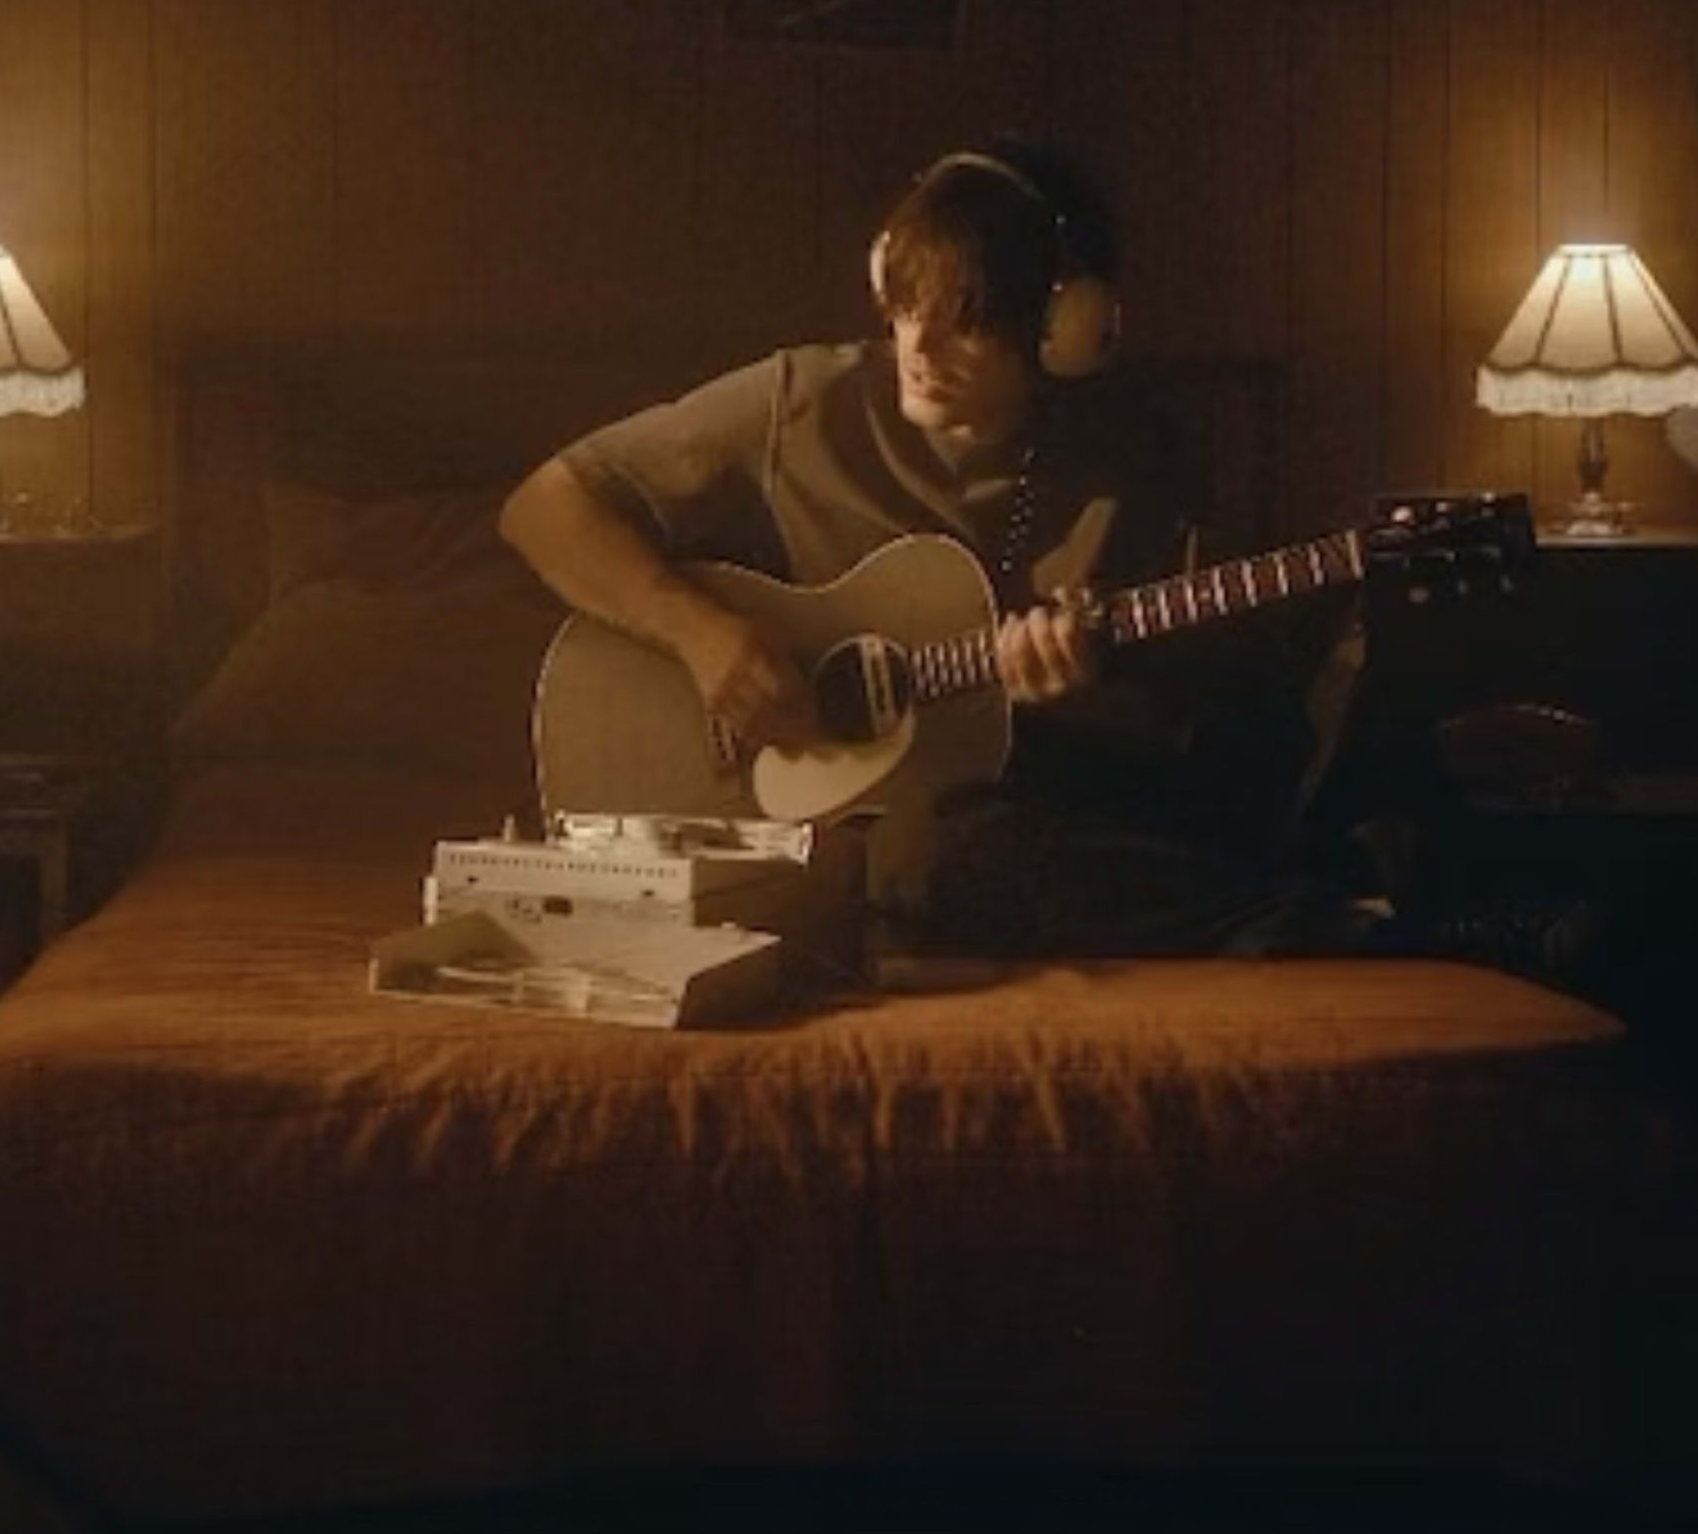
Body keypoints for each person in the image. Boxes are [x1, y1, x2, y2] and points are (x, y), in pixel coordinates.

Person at [498, 140, 1349, 957]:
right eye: (907, 301)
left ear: (1063, 329)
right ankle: (1290, 918)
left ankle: (1325, 913)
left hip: (1035, 801)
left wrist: (1081, 682)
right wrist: (700, 633)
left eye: (967, 320)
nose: (920, 345)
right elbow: (544, 506)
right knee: (934, 854)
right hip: (856, 826)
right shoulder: (800, 400)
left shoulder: (1131, 455)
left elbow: (1182, 719)